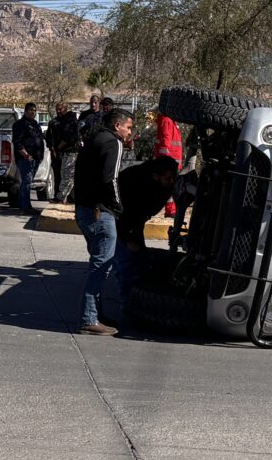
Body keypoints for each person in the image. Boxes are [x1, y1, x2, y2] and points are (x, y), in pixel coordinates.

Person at [72, 107, 133, 335]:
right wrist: (118, 207)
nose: (129, 133)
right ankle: (89, 319)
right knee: (101, 267)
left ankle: (95, 314)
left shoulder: (95, 138)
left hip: (85, 209)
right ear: (117, 125)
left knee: (98, 263)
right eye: (128, 127)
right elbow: (111, 179)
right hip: (100, 212)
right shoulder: (113, 143)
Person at [114, 156, 179, 301]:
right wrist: (128, 238)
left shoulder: (163, 185)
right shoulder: (133, 182)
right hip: (121, 220)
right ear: (156, 176)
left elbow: (146, 211)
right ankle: (126, 301)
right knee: (125, 261)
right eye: (168, 178)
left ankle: (134, 297)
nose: (172, 182)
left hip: (136, 220)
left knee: (139, 260)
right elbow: (125, 215)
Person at [11, 102, 46, 214]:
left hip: (36, 158)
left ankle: (22, 205)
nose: (33, 112)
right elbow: (17, 142)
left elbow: (39, 140)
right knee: (26, 181)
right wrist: (25, 154)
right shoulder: (19, 125)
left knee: (27, 181)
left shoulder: (36, 124)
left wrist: (40, 156)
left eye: (34, 110)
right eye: (30, 110)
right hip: (25, 158)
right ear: (25, 111)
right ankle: (26, 207)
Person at [45, 101, 81, 203]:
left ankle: (67, 198)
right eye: (57, 109)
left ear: (65, 109)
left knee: (68, 176)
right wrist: (53, 149)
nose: (58, 111)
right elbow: (49, 137)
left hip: (70, 152)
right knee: (60, 175)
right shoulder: (54, 122)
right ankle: (60, 196)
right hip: (60, 153)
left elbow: (68, 137)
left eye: (60, 109)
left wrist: (58, 148)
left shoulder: (71, 121)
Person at [153, 114, 183, 217]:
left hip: (172, 160)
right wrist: (165, 161)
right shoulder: (167, 120)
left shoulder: (170, 120)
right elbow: (165, 140)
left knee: (171, 186)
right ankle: (170, 210)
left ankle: (171, 210)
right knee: (169, 186)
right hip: (170, 160)